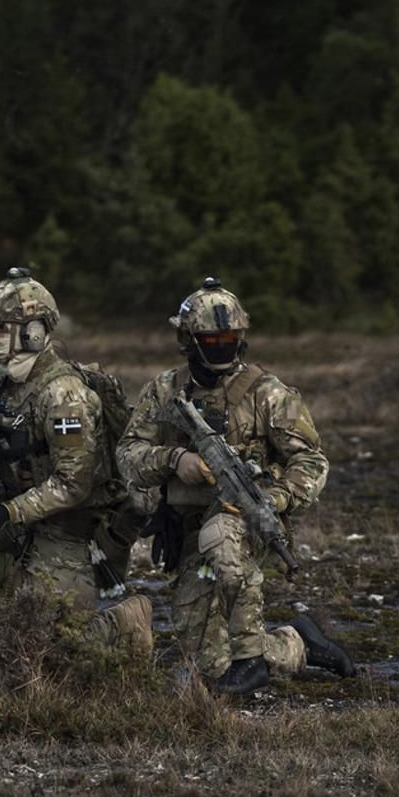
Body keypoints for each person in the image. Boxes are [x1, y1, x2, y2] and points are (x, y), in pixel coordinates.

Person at [116, 277, 355, 695]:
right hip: (188, 530)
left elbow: (311, 460)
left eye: (230, 337)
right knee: (207, 663)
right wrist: (175, 460)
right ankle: (296, 642)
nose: (222, 346)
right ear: (188, 340)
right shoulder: (164, 391)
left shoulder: (267, 392)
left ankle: (251, 662)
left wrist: (276, 496)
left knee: (223, 535)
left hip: (249, 524)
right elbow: (128, 454)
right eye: (211, 338)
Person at [0, 267, 152, 664]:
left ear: (33, 332)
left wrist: (11, 512)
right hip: (15, 519)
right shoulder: (1, 383)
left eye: (0, 329)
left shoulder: (64, 394)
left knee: (44, 650)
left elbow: (72, 484)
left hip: (63, 531)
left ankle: (125, 623)